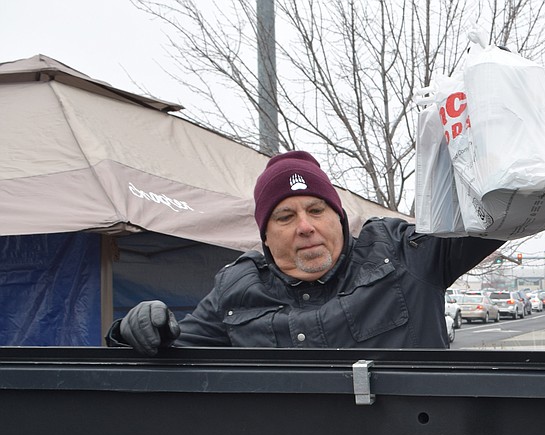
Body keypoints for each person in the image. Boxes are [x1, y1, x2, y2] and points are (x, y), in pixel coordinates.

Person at [107, 150, 502, 354]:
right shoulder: (235, 290)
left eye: (317, 210)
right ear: (265, 237)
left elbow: (497, 217)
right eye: (284, 216)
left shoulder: (401, 252)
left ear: (340, 218)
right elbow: (166, 353)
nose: (306, 226)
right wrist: (132, 331)